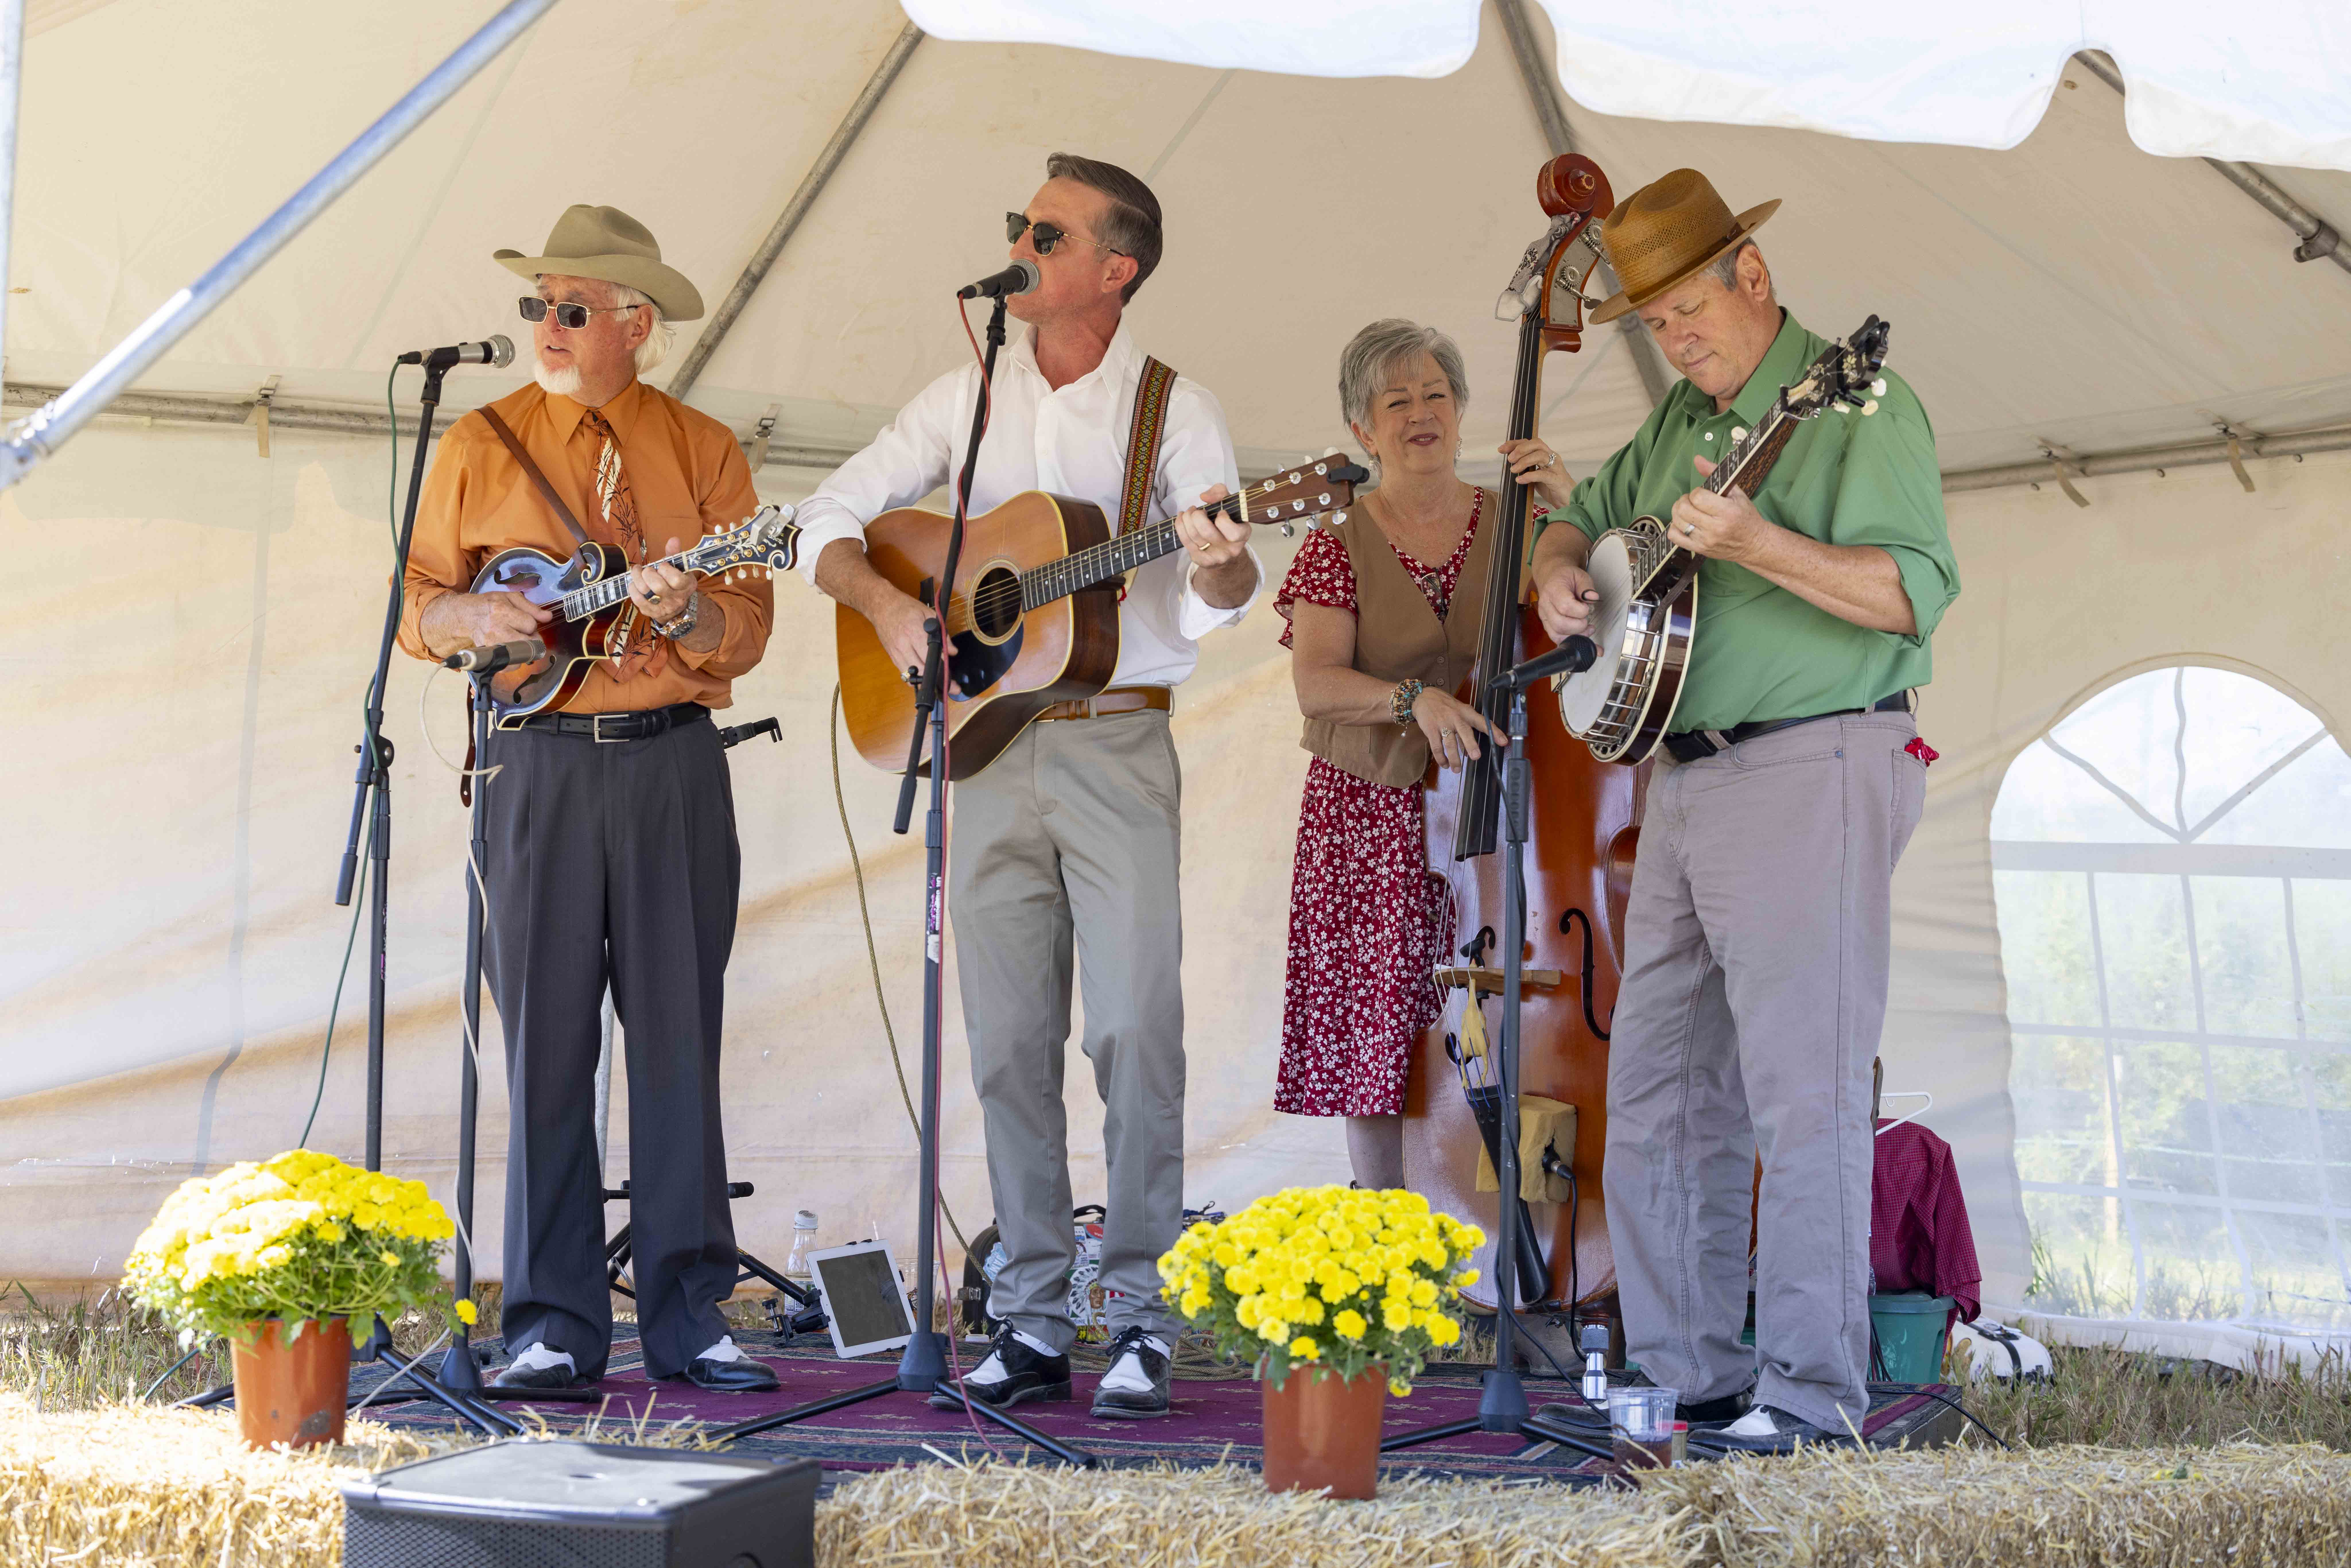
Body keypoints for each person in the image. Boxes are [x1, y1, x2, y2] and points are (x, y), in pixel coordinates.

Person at [795, 154, 1258, 1419]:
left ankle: (1143, 1312)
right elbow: (823, 515)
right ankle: (1032, 1313)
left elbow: (1223, 588)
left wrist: (1219, 560)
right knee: (1002, 1040)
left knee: (1130, 1026)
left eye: (1043, 231)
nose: (1017, 243)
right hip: (983, 749)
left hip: (1115, 740)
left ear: (1113, 269)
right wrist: (892, 604)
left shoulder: (1174, 407)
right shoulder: (969, 391)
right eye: (1016, 224)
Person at [1526, 169, 1960, 1451]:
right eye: (1652, 325)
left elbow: (1908, 594)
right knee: (1657, 1080)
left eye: (1686, 312)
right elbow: (1576, 523)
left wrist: (1760, 543)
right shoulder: (1673, 427)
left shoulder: (1859, 402)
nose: (1674, 339)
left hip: (1814, 761)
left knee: (1800, 1091)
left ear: (1752, 278)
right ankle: (1693, 1371)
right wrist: (1560, 578)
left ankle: (1813, 1395)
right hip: (1685, 772)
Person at [397, 204, 780, 1395]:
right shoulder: (477, 439)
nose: (546, 328)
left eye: (571, 309)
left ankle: (689, 1312)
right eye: (538, 305)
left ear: (636, 326)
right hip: (537, 763)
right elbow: (413, 601)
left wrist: (680, 612)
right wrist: (469, 616)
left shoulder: (706, 449)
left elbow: (749, 627)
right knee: (548, 1044)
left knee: (676, 1038)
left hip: (671, 757)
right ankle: (553, 1321)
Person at [1272, 319, 1572, 1187]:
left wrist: (1570, 498)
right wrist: (1412, 698)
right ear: (1363, 431)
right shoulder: (1336, 540)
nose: (1419, 414)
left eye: (1436, 394)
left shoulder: (1517, 524)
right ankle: (1387, 1253)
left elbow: (1599, 603)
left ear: (1465, 411)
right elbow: (1317, 684)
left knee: (1522, 1029)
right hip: (1369, 820)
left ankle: (1525, 1265)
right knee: (1375, 1048)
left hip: (1497, 816)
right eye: (1395, 401)